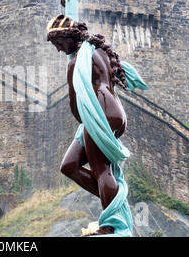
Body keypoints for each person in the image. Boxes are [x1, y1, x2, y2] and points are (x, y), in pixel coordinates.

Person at [47, 14, 130, 236]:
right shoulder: (97, 50)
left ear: (69, 36)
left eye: (58, 43)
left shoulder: (76, 61)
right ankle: (115, 203)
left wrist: (86, 123)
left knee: (100, 170)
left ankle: (109, 225)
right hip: (111, 109)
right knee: (69, 166)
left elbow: (75, 104)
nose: (57, 49)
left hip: (99, 112)